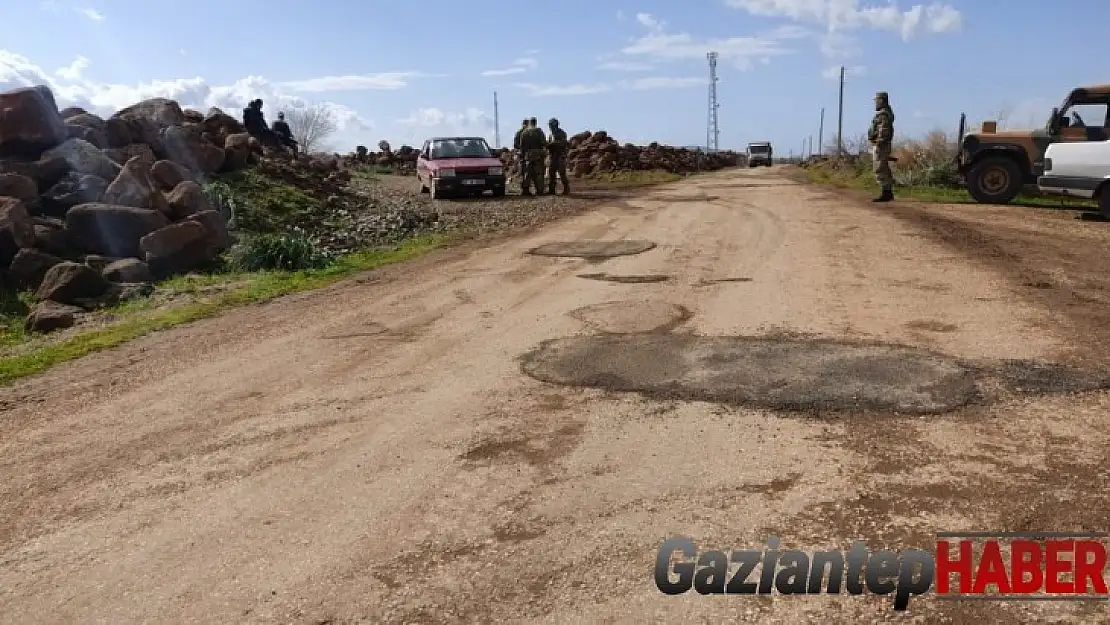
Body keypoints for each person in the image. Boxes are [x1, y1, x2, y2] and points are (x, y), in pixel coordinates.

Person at [868, 91, 895, 202]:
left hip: (881, 145)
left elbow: (883, 130)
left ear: (882, 100)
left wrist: (879, 142)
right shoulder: (885, 113)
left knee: (880, 167)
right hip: (882, 144)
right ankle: (887, 192)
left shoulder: (883, 114)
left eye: (877, 100)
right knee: (883, 167)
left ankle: (886, 193)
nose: (875, 103)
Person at [521, 117, 547, 195]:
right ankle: (539, 190)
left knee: (527, 174)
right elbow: (543, 142)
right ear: (535, 122)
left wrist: (523, 155)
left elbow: (522, 145)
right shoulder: (538, 131)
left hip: (528, 155)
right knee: (538, 173)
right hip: (537, 154)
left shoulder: (524, 132)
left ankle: (525, 190)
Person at [546, 117, 570, 195]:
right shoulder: (550, 135)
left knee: (562, 173)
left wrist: (553, 144)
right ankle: (552, 190)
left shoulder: (561, 133)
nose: (550, 127)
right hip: (552, 156)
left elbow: (563, 143)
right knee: (551, 173)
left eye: (551, 125)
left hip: (560, 155)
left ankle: (566, 189)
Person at [512, 118, 528, 183]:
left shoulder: (519, 132)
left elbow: (515, 144)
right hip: (522, 153)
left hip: (520, 152)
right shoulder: (526, 132)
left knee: (521, 168)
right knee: (522, 169)